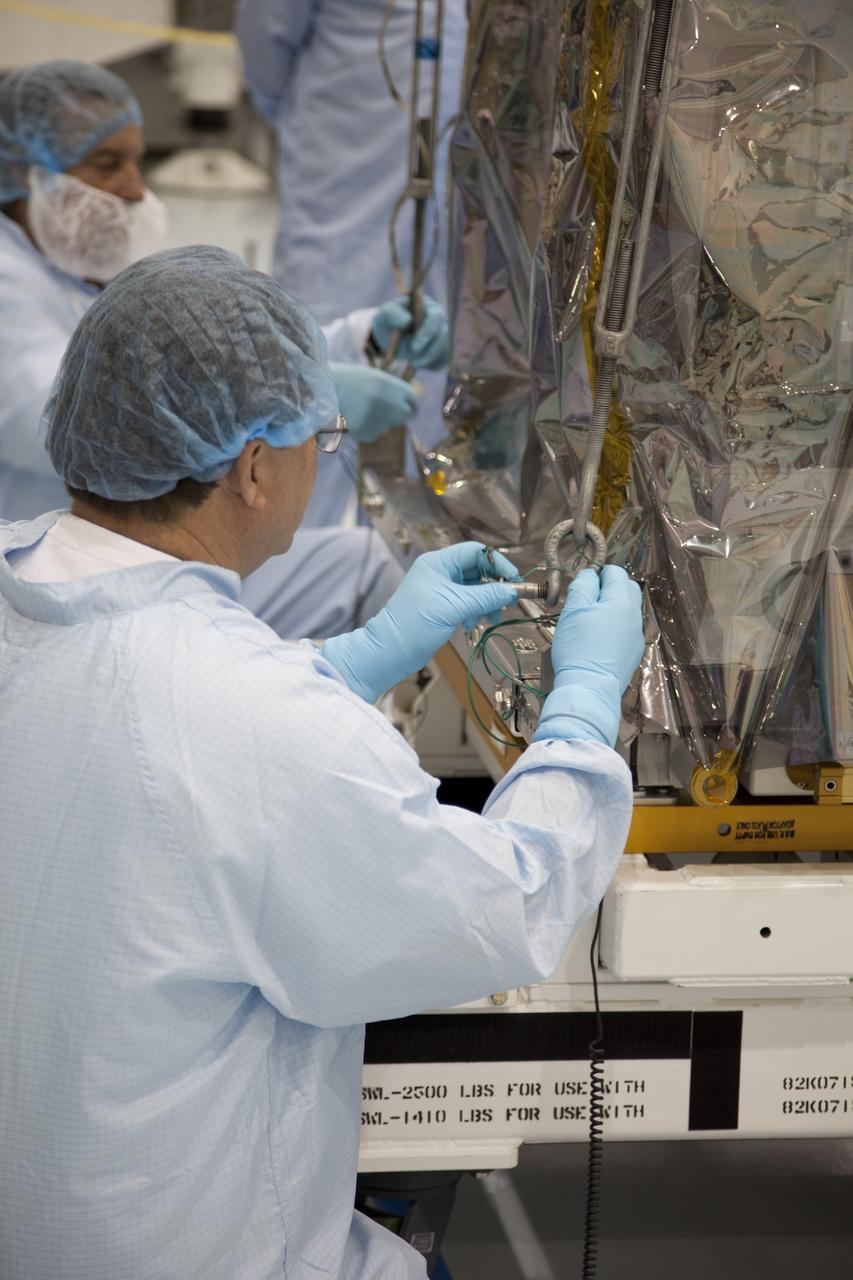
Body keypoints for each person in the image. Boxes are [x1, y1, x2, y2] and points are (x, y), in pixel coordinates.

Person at [0, 245, 644, 1280]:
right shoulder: (253, 722)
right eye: (321, 438)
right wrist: (581, 711)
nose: (320, 462)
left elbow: (134, 740)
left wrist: (346, 664)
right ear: (253, 469)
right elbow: (506, 902)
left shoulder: (24, 580)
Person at [0, 59, 448, 636]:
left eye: (137, 162)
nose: (134, 189)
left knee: (360, 564)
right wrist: (306, 392)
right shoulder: (8, 278)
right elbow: (65, 411)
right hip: (63, 590)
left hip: (126, 558)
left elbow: (202, 354)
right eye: (106, 164)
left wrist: (362, 339)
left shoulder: (64, 269)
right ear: (22, 170)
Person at [237, 0, 469, 526]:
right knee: (312, 370)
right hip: (342, 165)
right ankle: (287, 547)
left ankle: (406, 552)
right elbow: (266, 42)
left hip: (451, 190)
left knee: (429, 383)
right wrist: (300, 117)